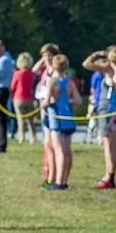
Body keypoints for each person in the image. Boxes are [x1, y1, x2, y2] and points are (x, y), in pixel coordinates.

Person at [84, 47, 116, 188]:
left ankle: (109, 176)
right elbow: (87, 65)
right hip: (115, 114)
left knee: (110, 148)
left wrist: (112, 119)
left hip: (112, 114)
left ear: (110, 60)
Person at [41, 54, 81, 190]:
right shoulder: (69, 82)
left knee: (59, 151)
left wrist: (43, 104)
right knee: (67, 151)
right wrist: (67, 101)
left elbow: (46, 101)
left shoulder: (51, 81)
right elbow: (78, 101)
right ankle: (64, 179)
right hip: (68, 118)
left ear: (52, 65)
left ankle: (58, 182)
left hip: (56, 118)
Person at [33, 44, 59, 184]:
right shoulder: (46, 69)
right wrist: (43, 61)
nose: (46, 58)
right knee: (46, 141)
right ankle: (47, 168)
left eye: (49, 55)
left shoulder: (55, 71)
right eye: (44, 55)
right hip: (44, 104)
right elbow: (34, 70)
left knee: (50, 141)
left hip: (50, 106)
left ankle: (51, 172)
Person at [10, 53, 38, 144]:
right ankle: (33, 137)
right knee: (30, 120)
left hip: (18, 97)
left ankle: (21, 137)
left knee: (20, 119)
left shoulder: (17, 73)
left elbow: (13, 86)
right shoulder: (31, 74)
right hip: (29, 97)